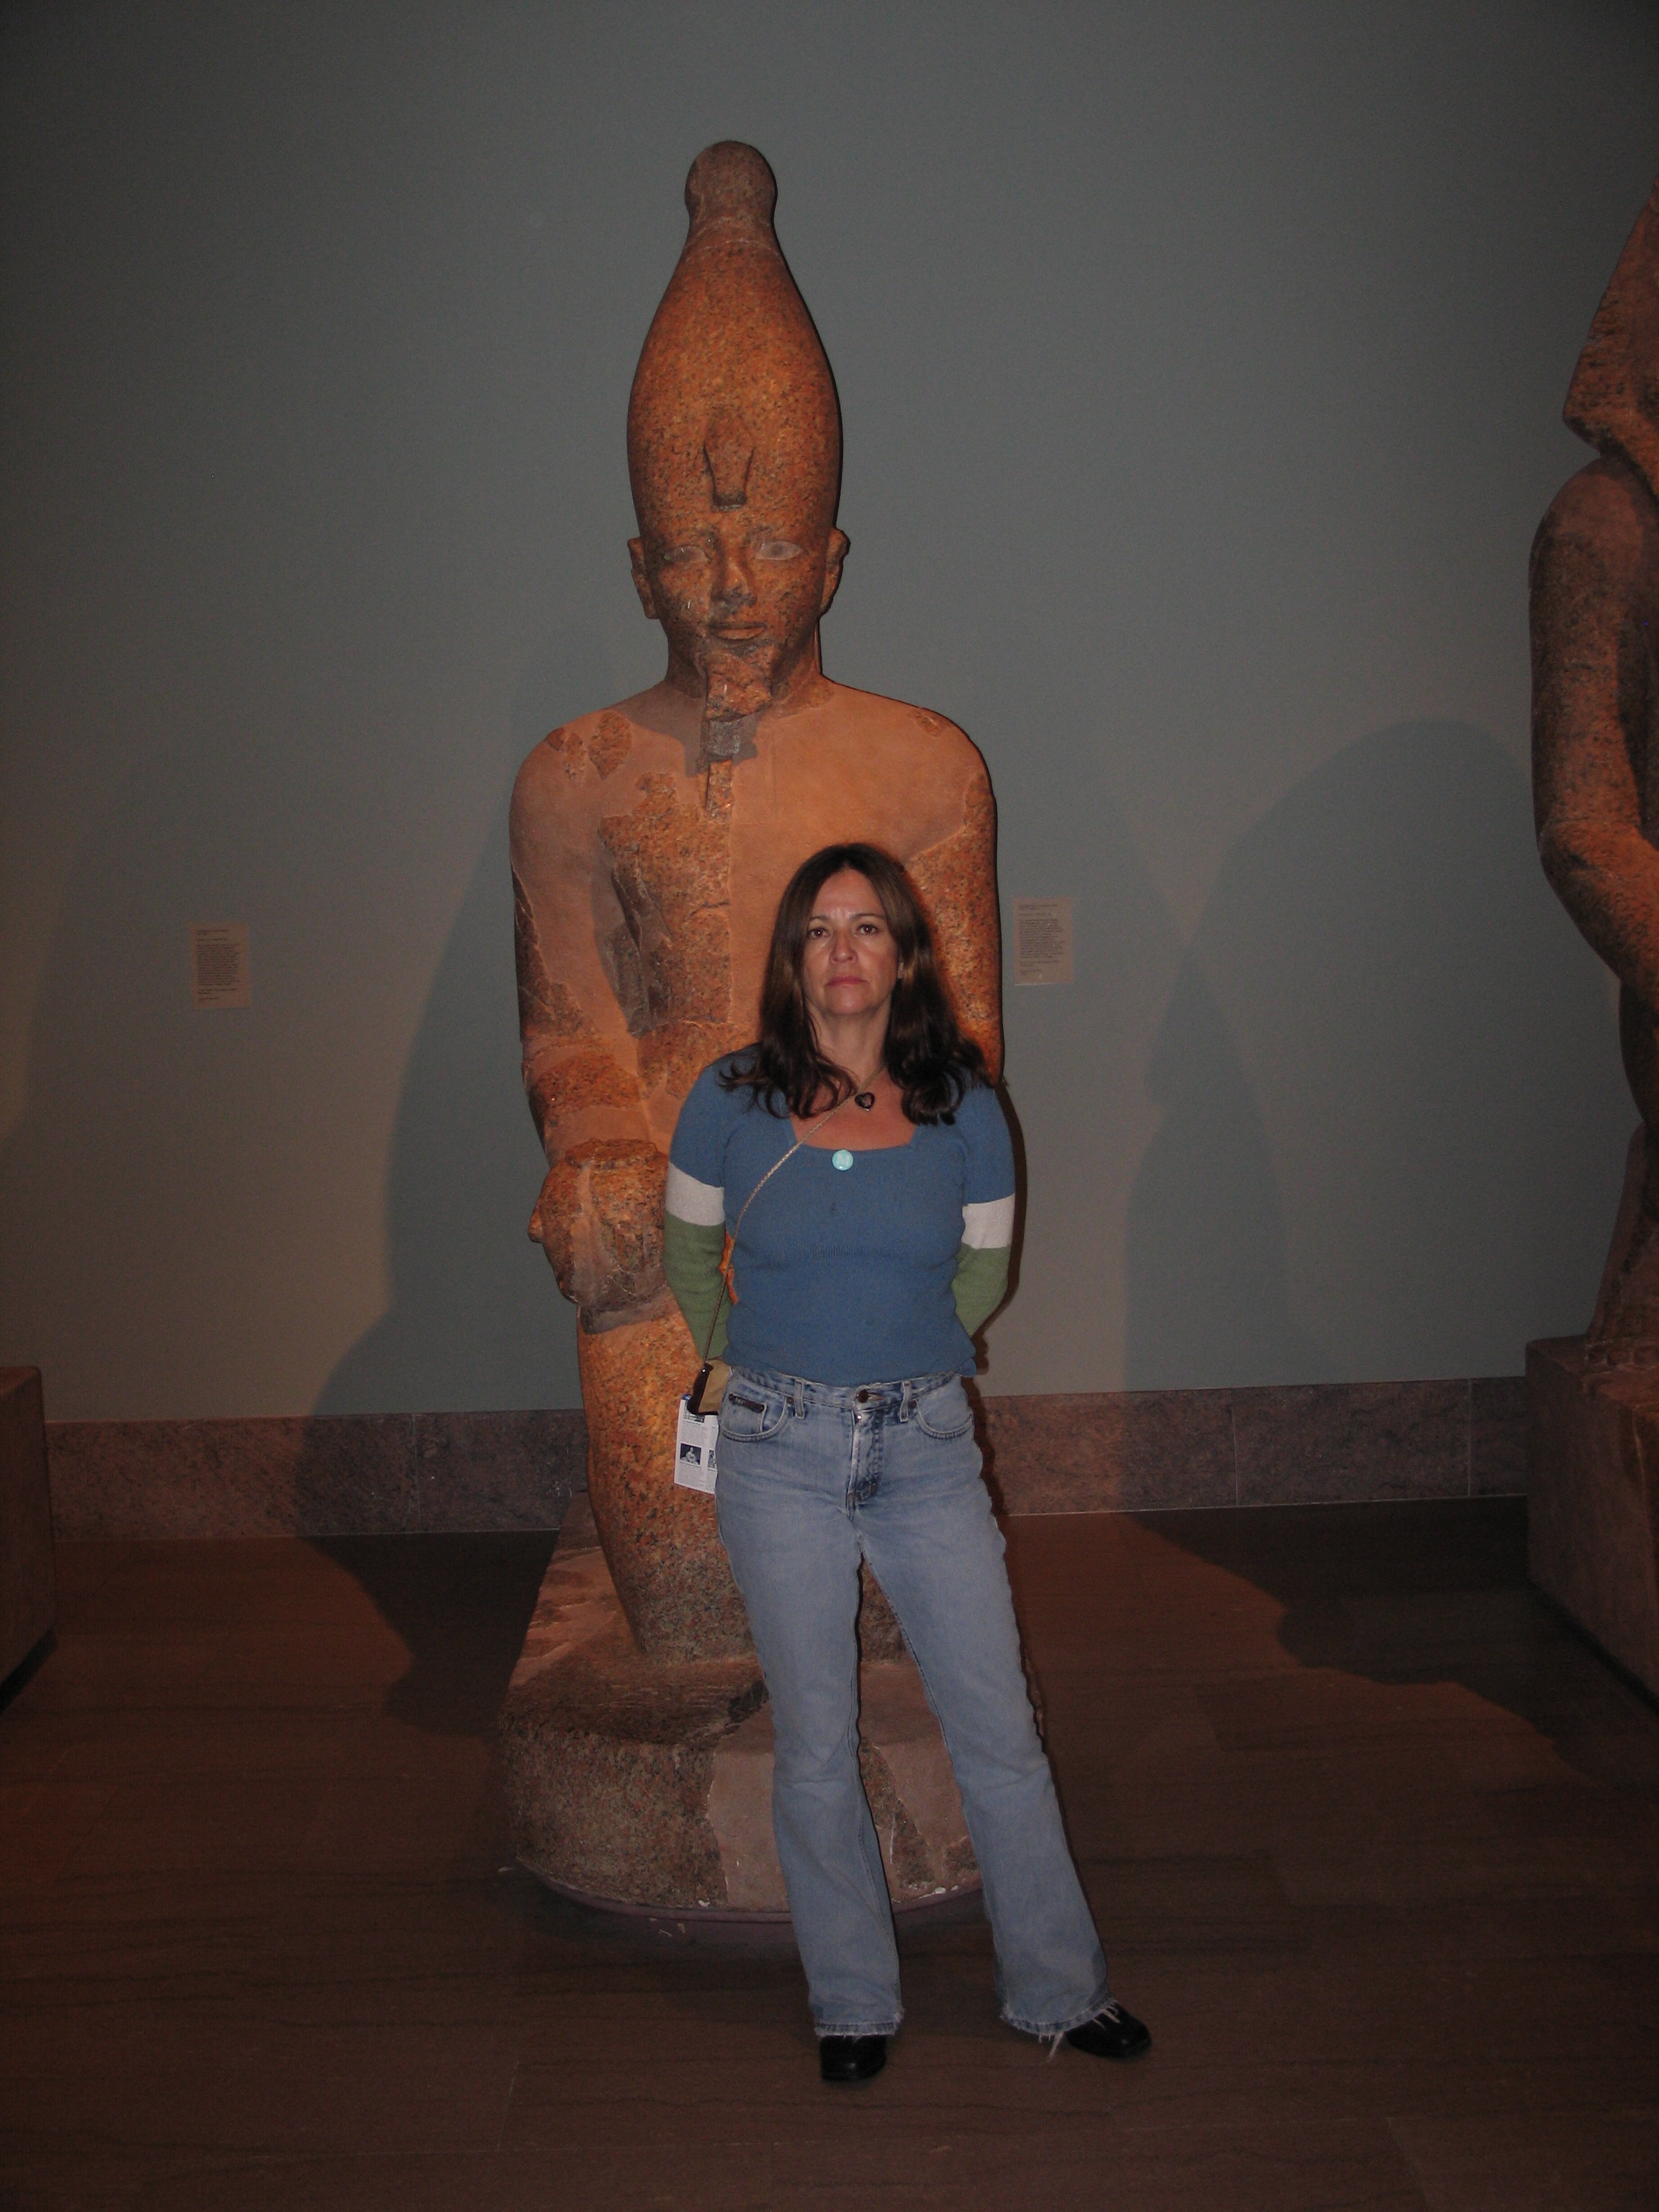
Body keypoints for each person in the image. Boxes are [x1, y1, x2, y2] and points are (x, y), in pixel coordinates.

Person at [662, 842, 1150, 2084]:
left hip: (926, 1447)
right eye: (820, 928)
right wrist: (741, 1362)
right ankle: (851, 2001)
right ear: (792, 958)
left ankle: (1059, 1989)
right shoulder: (728, 1099)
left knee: (999, 1728)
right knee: (816, 1740)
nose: (844, 950)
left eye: (868, 927)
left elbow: (983, 1274)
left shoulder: (964, 1106)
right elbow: (688, 1256)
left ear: (903, 956)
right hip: (775, 1448)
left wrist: (908, 1353)